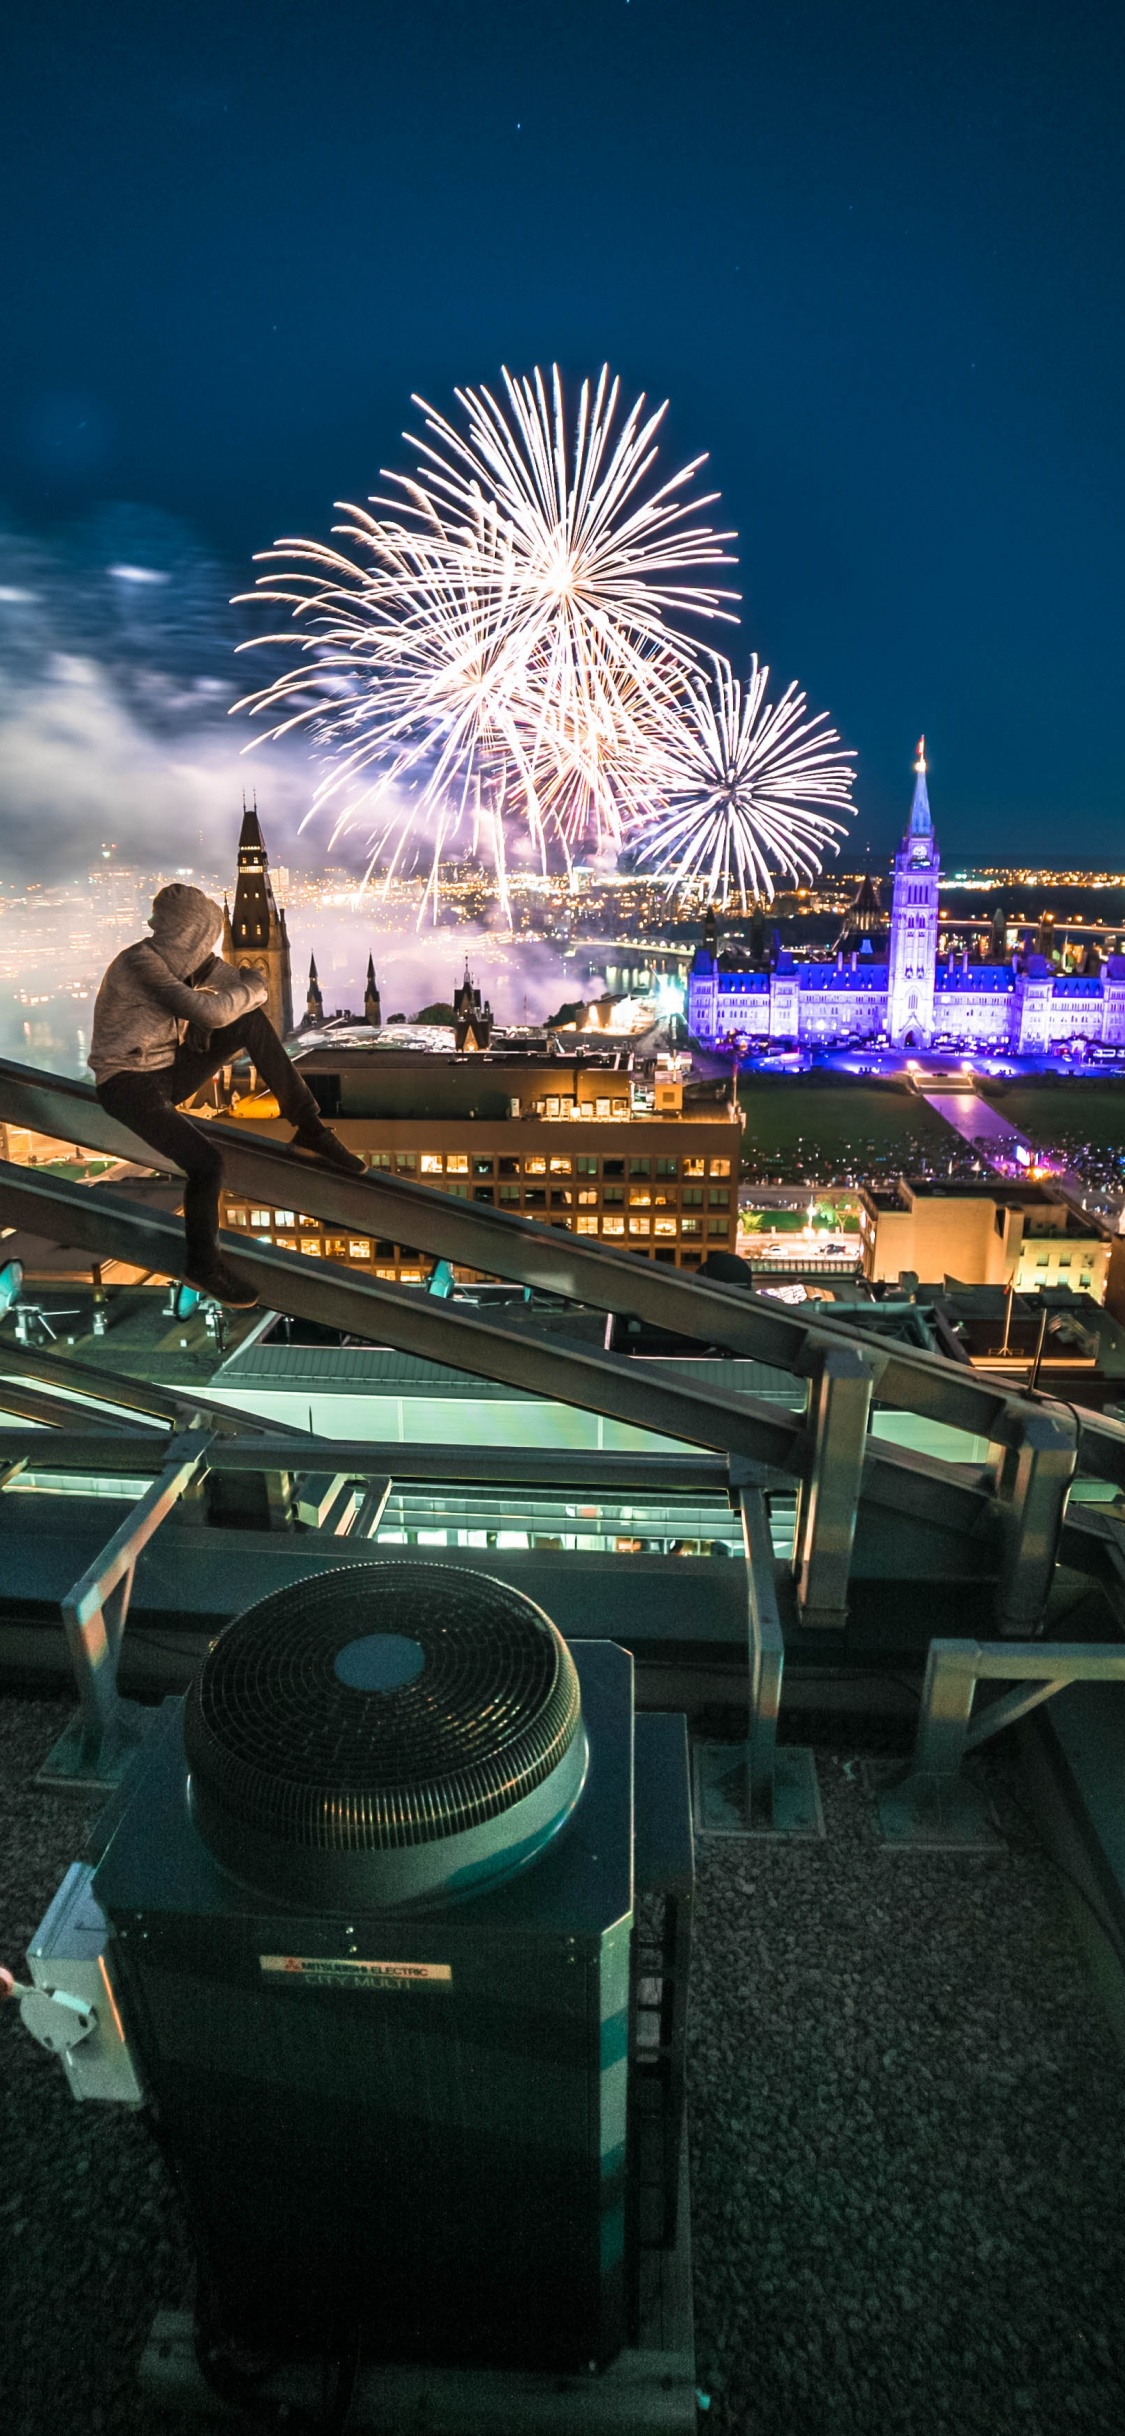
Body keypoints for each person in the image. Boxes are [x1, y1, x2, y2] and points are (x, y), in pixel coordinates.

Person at [90, 882, 364, 1308]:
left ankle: (310, 1128)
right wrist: (223, 1004)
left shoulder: (192, 963)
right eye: (205, 935)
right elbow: (217, 1006)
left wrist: (232, 999)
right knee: (207, 1164)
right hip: (127, 1084)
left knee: (251, 1022)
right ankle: (202, 1265)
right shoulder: (141, 964)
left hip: (166, 1073)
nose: (209, 946)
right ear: (190, 931)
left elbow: (249, 990)